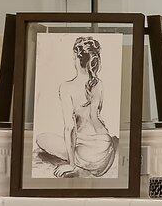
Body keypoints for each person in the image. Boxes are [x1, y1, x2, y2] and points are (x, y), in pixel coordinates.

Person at [34, 35, 120, 178]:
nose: (73, 60)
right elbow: (95, 116)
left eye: (74, 57)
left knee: (41, 138)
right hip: (105, 147)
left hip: (89, 156)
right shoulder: (97, 84)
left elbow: (70, 127)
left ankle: (76, 161)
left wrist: (71, 165)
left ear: (78, 59)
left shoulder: (66, 87)